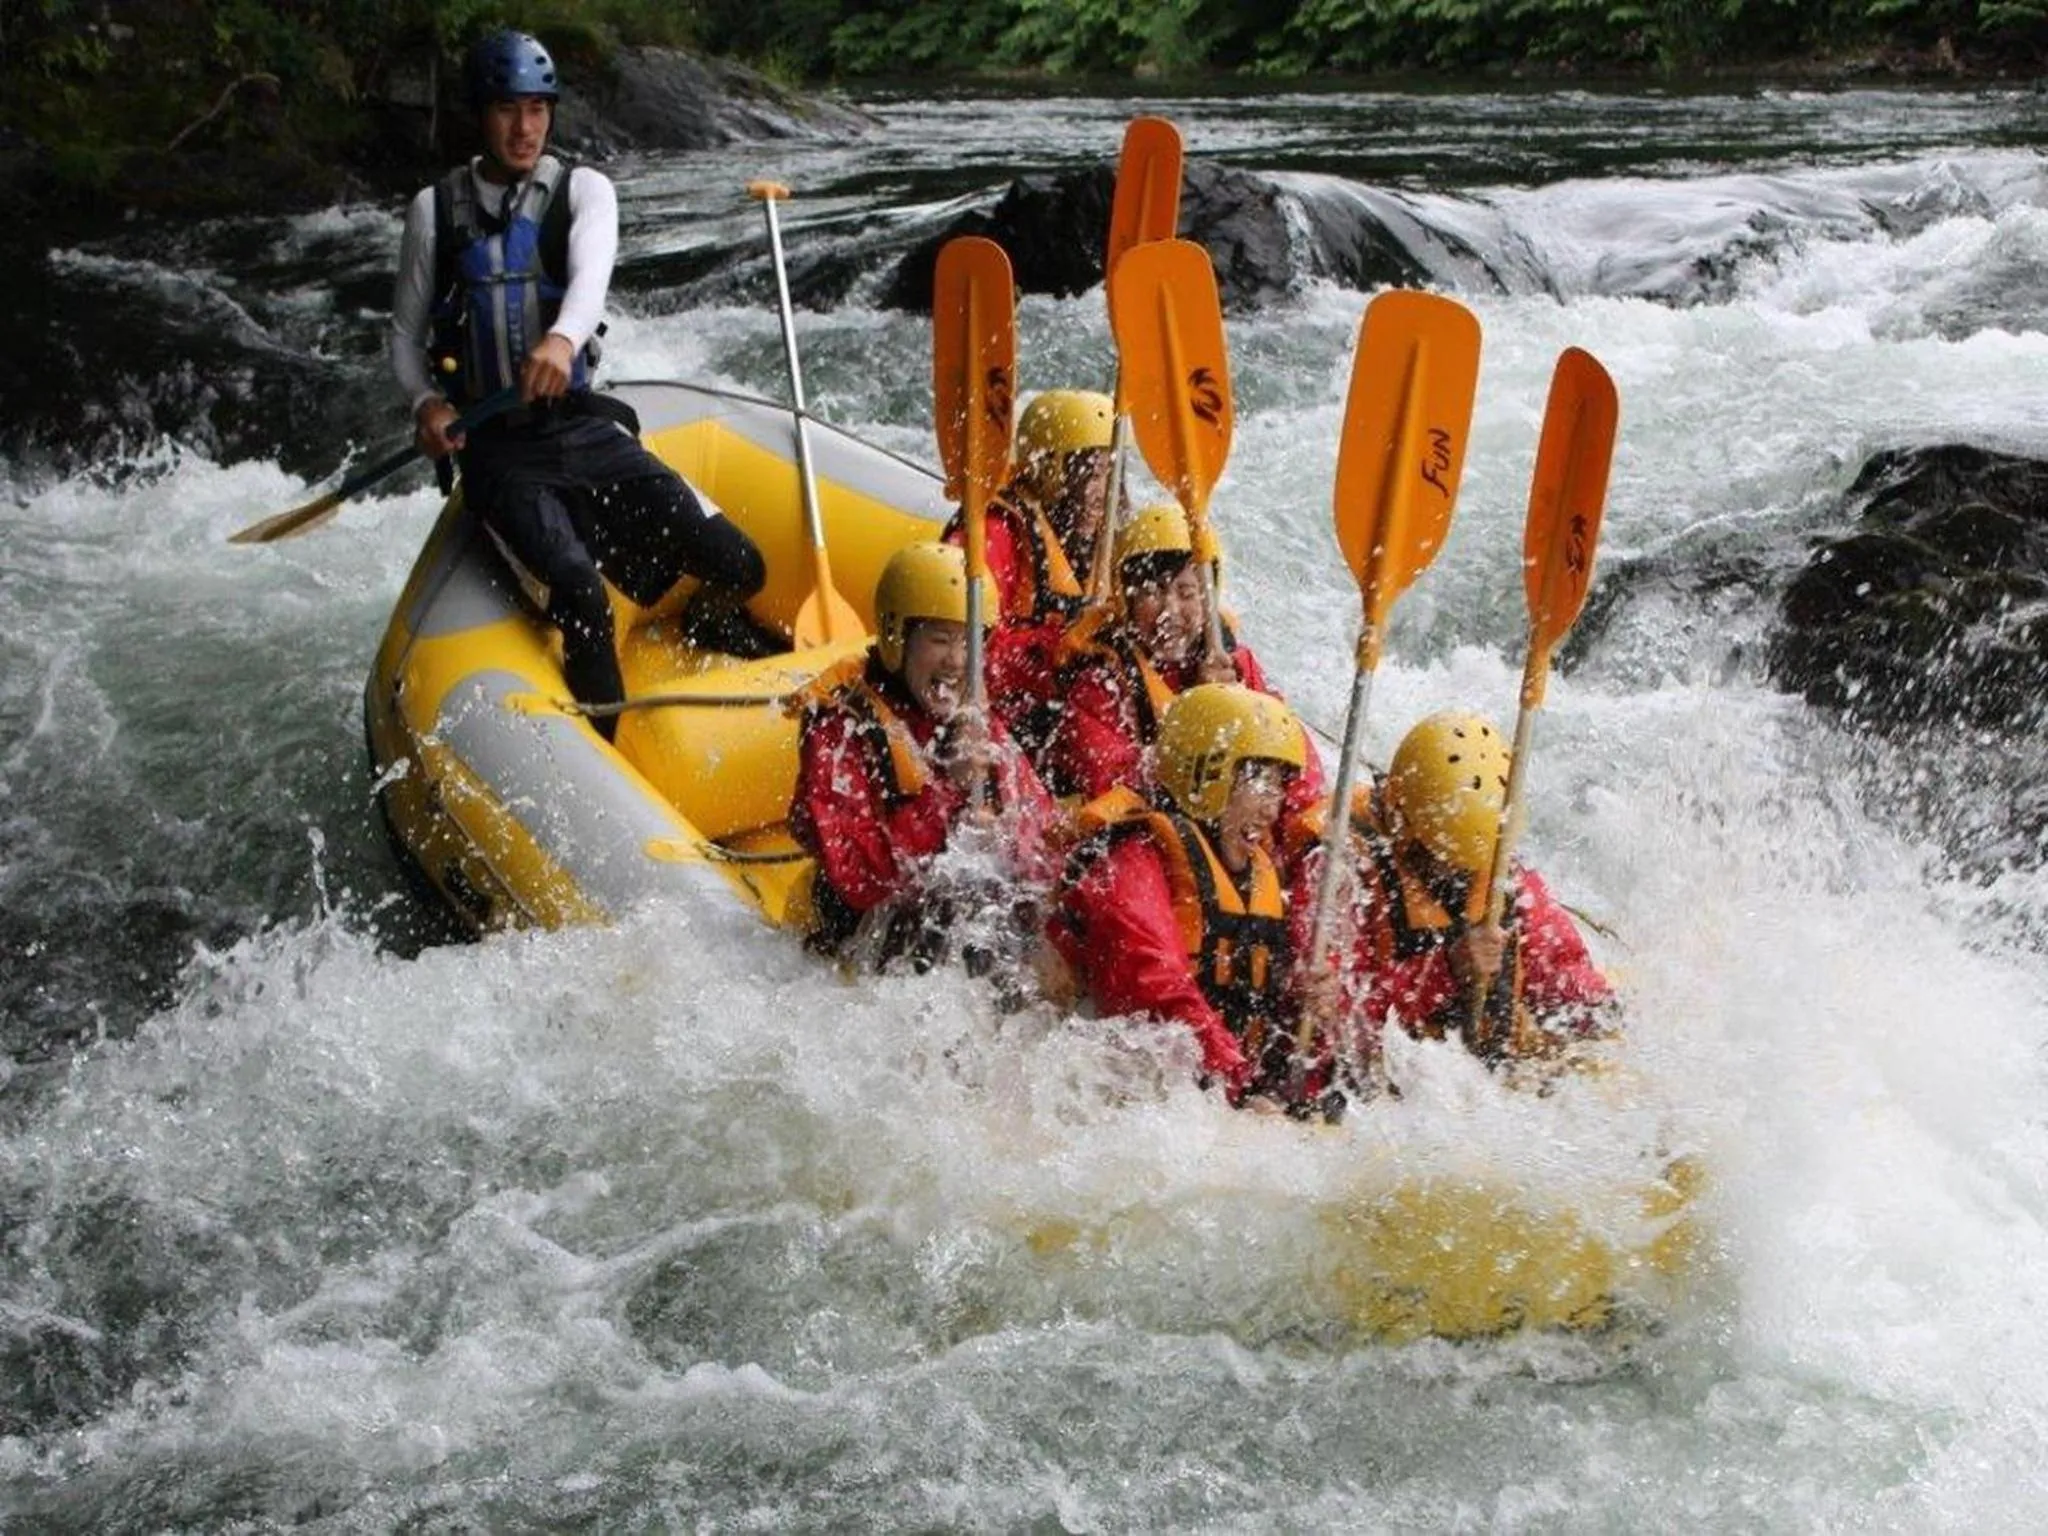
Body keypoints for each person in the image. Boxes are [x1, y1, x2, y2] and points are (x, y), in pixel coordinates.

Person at [388, 29, 769, 740]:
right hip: (499, 450)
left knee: (740, 562)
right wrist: (426, 403)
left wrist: (561, 338)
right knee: (578, 590)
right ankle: (607, 741)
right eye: (507, 109)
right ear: (481, 114)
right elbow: (405, 338)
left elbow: (591, 279)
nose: (524, 128)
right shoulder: (433, 212)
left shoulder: (583, 191)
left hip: (582, 428)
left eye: (537, 109)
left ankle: (706, 618)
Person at [1049, 683, 1339, 1116]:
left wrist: (1311, 1006)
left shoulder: (1258, 873)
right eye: (1259, 784)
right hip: (1121, 1087)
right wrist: (1237, 1092)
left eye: (1279, 788)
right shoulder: (1133, 858)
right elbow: (1154, 983)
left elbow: (1264, 1010)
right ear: (1208, 776)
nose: (1273, 809)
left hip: (1208, 1088)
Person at [1290, 710, 1616, 1083]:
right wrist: (1448, 969)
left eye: (1467, 864)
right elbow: (1337, 1015)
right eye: (1443, 859)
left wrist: (1597, 1006)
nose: (1457, 874)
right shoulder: (1337, 868)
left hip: (1477, 1079)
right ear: (1401, 820)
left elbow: (1558, 963)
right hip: (1386, 1083)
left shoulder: (1491, 863)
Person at [789, 541, 1059, 969]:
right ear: (897, 636)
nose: (956, 661)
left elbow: (1040, 836)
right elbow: (859, 879)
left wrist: (1004, 840)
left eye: (967, 642)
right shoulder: (841, 726)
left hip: (958, 928)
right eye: (939, 640)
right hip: (864, 936)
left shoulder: (974, 721)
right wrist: (950, 800)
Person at [1042, 502, 1324, 822]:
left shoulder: (1236, 665)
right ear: (1125, 598)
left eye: (1186, 593)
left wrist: (1309, 847)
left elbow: (1293, 765)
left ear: (1208, 600)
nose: (1170, 612)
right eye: (1152, 592)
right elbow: (1119, 789)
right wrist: (1206, 713)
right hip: (1148, 836)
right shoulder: (1099, 684)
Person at [943, 388, 1117, 752]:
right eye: (1084, 473)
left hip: (1068, 707)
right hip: (1004, 717)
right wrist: (1060, 644)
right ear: (1045, 470)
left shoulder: (1104, 538)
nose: (1095, 494)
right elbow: (964, 653)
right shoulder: (994, 532)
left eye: (1107, 475)